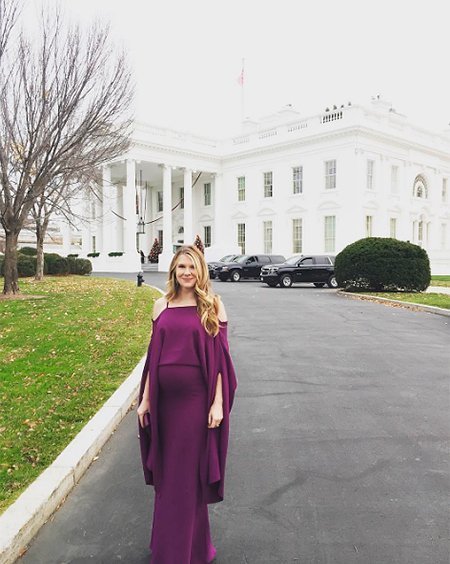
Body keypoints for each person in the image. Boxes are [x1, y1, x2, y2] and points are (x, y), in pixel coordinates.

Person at [137, 245, 237, 563]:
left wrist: (218, 404)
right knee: (167, 475)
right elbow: (153, 358)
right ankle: (169, 546)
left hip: (194, 404)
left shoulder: (212, 306)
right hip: (163, 403)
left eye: (192, 267)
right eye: (181, 267)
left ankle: (186, 551)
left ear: (200, 271)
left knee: (186, 477)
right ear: (173, 271)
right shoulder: (161, 306)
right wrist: (145, 400)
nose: (187, 272)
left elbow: (221, 363)